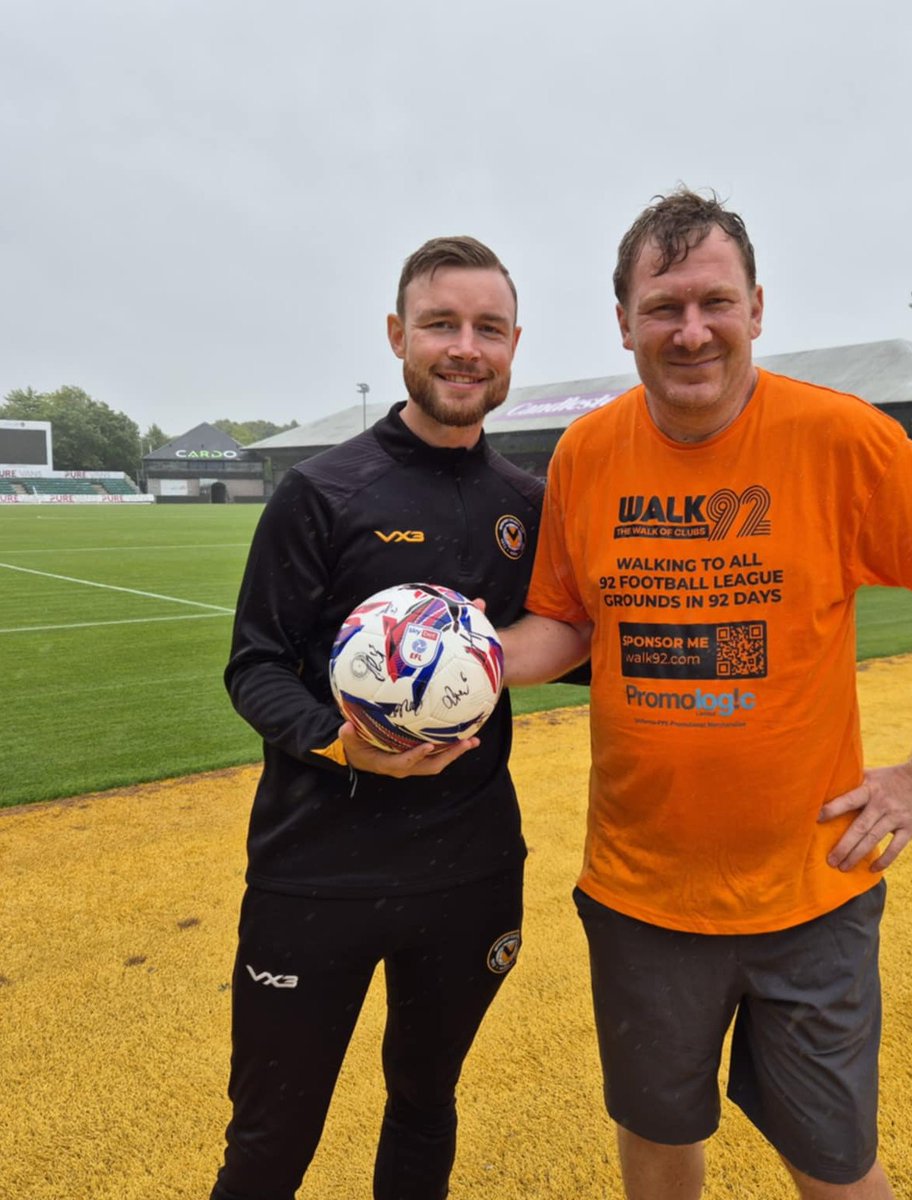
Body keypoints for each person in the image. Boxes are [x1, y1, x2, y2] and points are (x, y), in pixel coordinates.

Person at [500, 190, 912, 1200]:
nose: (690, 330)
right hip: (641, 892)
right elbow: (570, 621)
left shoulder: (843, 440)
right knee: (658, 1138)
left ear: (756, 308)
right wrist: (468, 663)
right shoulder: (585, 453)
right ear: (624, 322)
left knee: (835, 1164)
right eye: (663, 307)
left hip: (811, 893)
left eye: (715, 302)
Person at [212, 236, 540, 1200]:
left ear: (515, 344)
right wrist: (343, 743)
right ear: (399, 336)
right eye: (441, 323)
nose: (464, 347)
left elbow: (563, 642)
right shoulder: (323, 492)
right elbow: (256, 666)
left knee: (425, 1106)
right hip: (319, 873)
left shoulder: (528, 502)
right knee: (271, 1143)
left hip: (471, 869)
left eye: (487, 327)